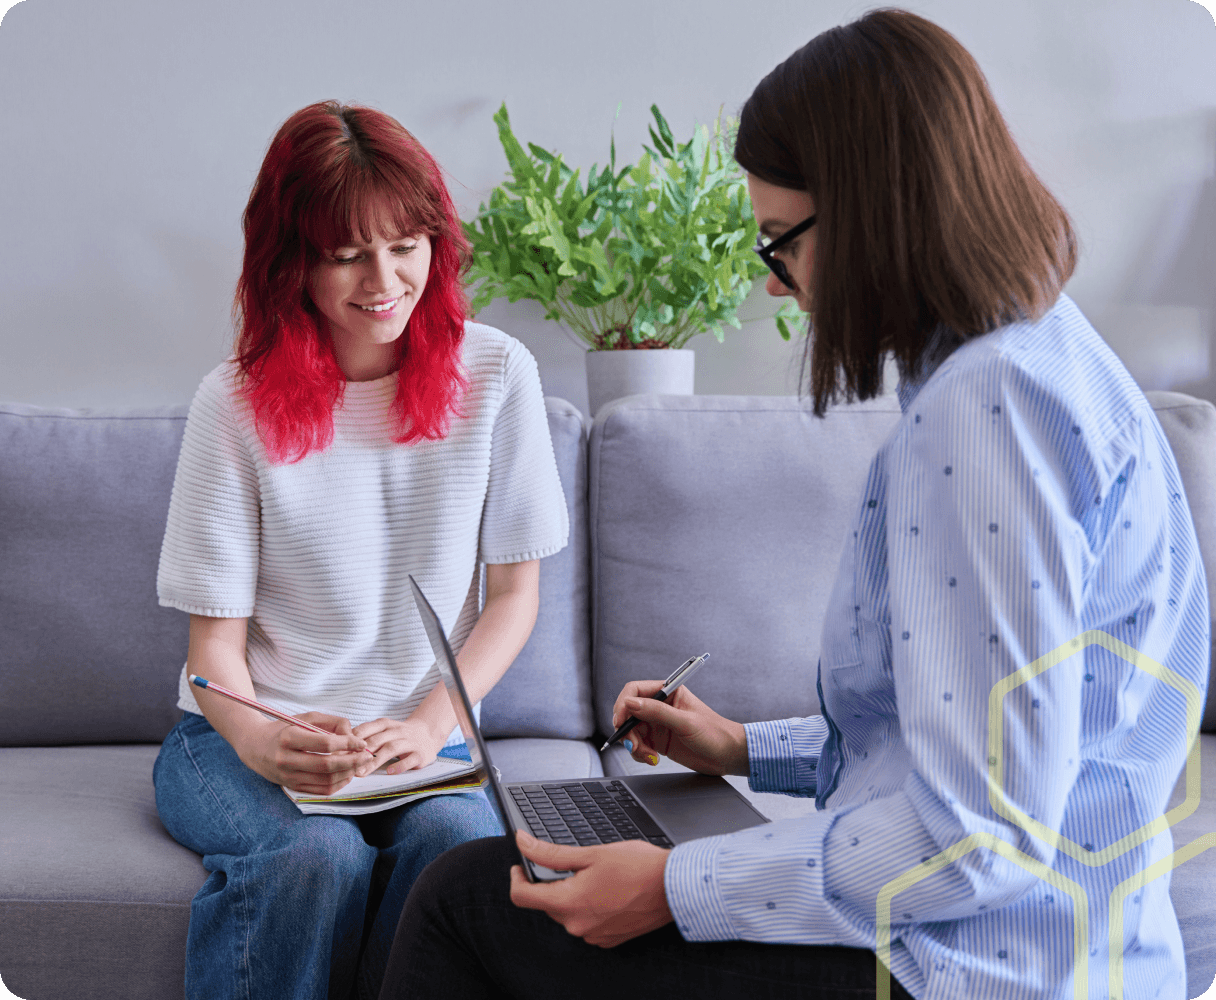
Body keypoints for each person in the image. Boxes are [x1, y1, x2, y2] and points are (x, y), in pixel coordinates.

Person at [376, 9, 1208, 1000]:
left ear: (874, 215)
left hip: (968, 968)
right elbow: (980, 738)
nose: (778, 287)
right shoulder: (1047, 357)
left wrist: (678, 886)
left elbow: (980, 834)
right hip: (1037, 949)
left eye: (782, 241)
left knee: (471, 895)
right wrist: (744, 749)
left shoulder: (985, 416)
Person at [152, 100, 569, 1000]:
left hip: (426, 742)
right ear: (290, 264)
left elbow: (513, 598)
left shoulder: (497, 376)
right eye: (346, 254)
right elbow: (213, 654)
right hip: (240, 737)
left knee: (458, 855)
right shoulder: (233, 405)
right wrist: (270, 744)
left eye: (407, 243)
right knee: (314, 853)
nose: (385, 278)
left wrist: (426, 725)